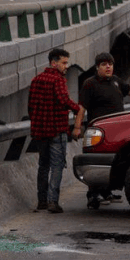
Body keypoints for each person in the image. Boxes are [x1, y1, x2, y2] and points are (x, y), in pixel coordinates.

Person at [78, 52, 130, 209]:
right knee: (98, 162)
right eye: (104, 64)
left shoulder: (115, 81)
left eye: (110, 64)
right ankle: (93, 195)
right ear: (97, 67)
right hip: (99, 131)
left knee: (114, 162)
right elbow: (82, 107)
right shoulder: (90, 84)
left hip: (116, 131)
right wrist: (76, 127)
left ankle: (107, 192)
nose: (108, 67)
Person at [27, 48, 85, 213]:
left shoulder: (36, 80)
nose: (66, 66)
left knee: (43, 166)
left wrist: (37, 121)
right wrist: (77, 109)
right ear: (54, 63)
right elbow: (63, 99)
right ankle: (53, 201)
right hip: (56, 130)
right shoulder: (58, 80)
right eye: (64, 62)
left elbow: (30, 107)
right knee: (57, 166)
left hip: (39, 131)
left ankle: (41, 201)